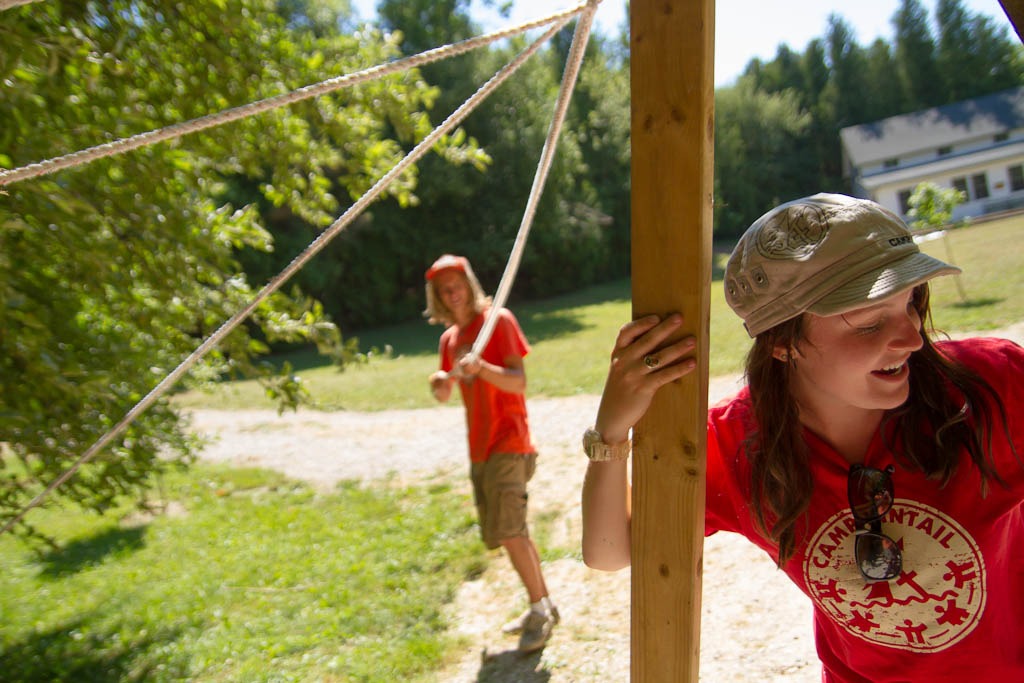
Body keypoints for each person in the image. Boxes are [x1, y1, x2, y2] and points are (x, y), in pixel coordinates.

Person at [581, 194, 1023, 681]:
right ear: (782, 342)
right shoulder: (737, 447)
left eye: (912, 302)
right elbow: (610, 551)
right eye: (871, 321)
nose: (913, 339)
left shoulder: (991, 384)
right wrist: (612, 431)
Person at [424, 253, 559, 653]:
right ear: (438, 296)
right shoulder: (449, 340)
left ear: (469, 283)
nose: (453, 293)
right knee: (511, 531)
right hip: (480, 448)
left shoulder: (498, 322)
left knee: (511, 531)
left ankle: (538, 611)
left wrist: (480, 367)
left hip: (509, 440)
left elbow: (519, 383)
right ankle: (544, 603)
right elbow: (447, 391)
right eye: (444, 289)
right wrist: (439, 384)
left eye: (457, 284)